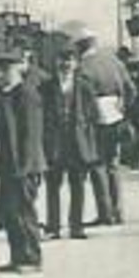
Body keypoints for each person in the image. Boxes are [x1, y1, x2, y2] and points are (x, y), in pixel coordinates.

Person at [0, 45, 46, 273]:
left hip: (24, 166)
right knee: (12, 215)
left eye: (6, 70)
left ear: (17, 70)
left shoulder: (26, 95)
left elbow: (30, 135)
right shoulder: (9, 94)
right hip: (10, 165)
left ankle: (32, 259)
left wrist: (24, 167)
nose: (0, 74)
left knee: (25, 212)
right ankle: (17, 257)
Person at [76, 29, 136, 225]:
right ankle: (118, 212)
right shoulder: (114, 62)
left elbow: (80, 100)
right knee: (113, 165)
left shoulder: (82, 67)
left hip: (95, 121)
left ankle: (105, 213)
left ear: (80, 47)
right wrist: (123, 108)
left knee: (97, 166)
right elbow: (131, 90)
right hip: (116, 118)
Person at [39, 47, 100, 238]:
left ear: (76, 64)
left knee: (78, 185)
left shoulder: (84, 86)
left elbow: (94, 114)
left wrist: (85, 132)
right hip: (55, 143)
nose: (66, 65)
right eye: (62, 61)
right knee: (52, 185)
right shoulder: (46, 87)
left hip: (77, 143)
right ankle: (54, 226)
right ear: (56, 63)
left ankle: (76, 226)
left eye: (70, 61)